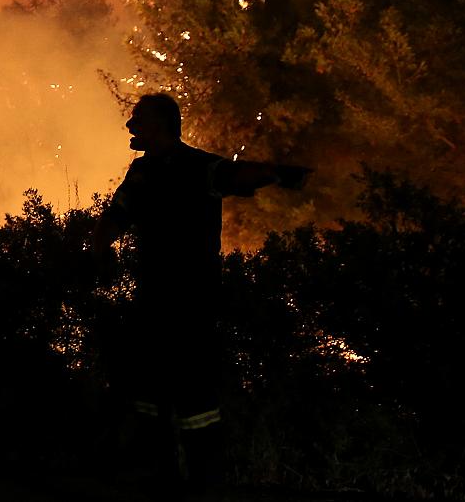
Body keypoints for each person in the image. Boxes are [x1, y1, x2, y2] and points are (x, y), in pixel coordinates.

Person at [91, 93, 310, 493]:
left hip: (191, 304)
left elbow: (235, 176)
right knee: (149, 394)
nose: (130, 126)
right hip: (152, 301)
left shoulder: (198, 167)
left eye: (137, 119)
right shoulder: (141, 174)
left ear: (160, 125)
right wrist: (99, 250)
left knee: (195, 399)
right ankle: (161, 476)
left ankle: (205, 482)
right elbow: (115, 218)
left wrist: (275, 173)